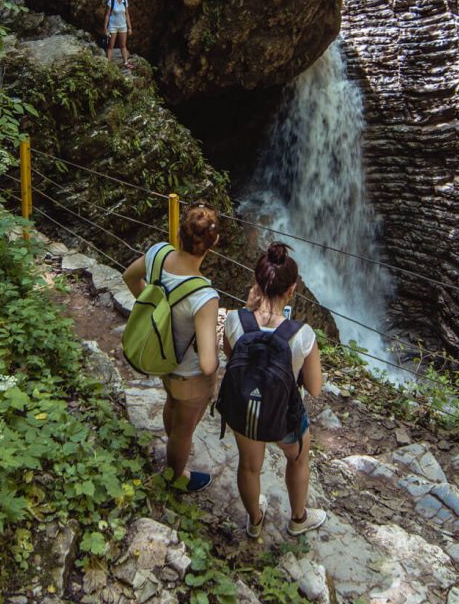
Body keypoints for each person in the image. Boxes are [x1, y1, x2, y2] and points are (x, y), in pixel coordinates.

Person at [222, 243, 325, 538]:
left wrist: (246, 307)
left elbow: (231, 357)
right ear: (291, 290)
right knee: (297, 459)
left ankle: (255, 521)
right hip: (286, 415)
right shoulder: (302, 335)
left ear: (257, 283)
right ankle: (298, 518)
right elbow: (315, 389)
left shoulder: (235, 320)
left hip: (247, 408)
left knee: (250, 467)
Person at [122, 203, 222, 492]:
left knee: (171, 402)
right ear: (212, 244)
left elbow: (129, 276)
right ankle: (177, 477)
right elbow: (206, 364)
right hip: (188, 374)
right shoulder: (203, 295)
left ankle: (172, 444)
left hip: (163, 360)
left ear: (178, 233)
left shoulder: (157, 254)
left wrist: (154, 313)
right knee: (183, 431)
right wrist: (218, 340)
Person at [104, 0, 131, 69]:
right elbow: (107, 15)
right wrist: (105, 28)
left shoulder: (125, 1)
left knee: (123, 45)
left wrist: (130, 27)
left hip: (123, 26)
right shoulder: (111, 1)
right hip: (113, 26)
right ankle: (108, 65)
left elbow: (127, 15)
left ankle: (126, 63)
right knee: (110, 46)